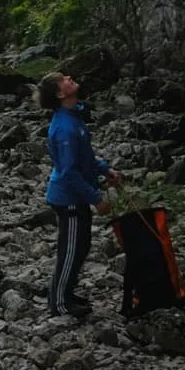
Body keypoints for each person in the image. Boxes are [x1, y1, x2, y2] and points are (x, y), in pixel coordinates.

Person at [40, 71, 124, 318]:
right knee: (71, 249)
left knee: (82, 245)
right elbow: (68, 172)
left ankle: (66, 292)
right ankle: (59, 302)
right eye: (63, 79)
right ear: (59, 93)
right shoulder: (65, 127)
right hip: (69, 200)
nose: (69, 77)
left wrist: (105, 169)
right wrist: (95, 198)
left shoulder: (73, 115)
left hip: (75, 196)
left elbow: (85, 156)